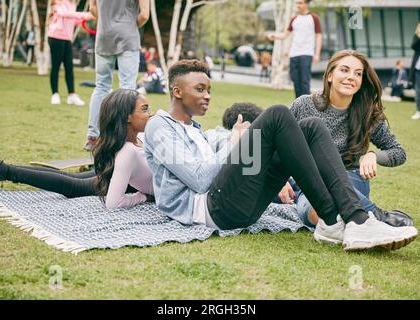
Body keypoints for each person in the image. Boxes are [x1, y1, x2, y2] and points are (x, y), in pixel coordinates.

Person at [144, 59, 417, 251]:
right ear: (177, 92)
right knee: (277, 114)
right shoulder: (159, 125)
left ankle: (336, 222)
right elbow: (200, 179)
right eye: (200, 90)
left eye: (209, 90)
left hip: (242, 207)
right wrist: (236, 143)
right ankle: (347, 219)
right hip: (212, 209)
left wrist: (239, 144)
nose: (207, 97)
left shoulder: (194, 128)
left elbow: (220, 167)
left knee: (311, 127)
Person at [280, 50, 413, 228]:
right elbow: (279, 144)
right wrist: (280, 182)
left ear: (361, 81)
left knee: (329, 193)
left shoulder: (367, 113)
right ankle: (370, 219)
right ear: (329, 76)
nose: (351, 77)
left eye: (358, 74)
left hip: (351, 178)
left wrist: (373, 155)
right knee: (314, 210)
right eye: (344, 70)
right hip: (308, 183)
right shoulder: (304, 105)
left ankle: (369, 217)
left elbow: (398, 152)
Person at [0, 89, 154, 209]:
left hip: (133, 173)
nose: (150, 113)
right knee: (74, 185)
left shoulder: (139, 138)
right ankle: (5, 170)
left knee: (74, 181)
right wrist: (142, 197)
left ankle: (4, 170)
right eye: (145, 109)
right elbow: (113, 203)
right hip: (132, 175)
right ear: (127, 117)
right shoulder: (129, 150)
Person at [84, 0, 150, 151]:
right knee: (127, 89)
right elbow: (144, 15)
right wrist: (130, 27)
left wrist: (108, 23)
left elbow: (93, 8)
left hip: (104, 36)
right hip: (128, 37)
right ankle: (121, 138)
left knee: (101, 86)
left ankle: (93, 136)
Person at [267, 0, 322, 98]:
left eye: (300, 3)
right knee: (295, 81)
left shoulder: (314, 18)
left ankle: (306, 107)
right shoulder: (294, 19)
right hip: (294, 54)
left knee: (304, 82)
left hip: (306, 54)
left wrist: (317, 54)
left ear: (306, 4)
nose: (298, 5)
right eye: (297, 3)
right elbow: (285, 35)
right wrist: (274, 36)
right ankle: (298, 105)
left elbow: (319, 36)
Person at [47, 0, 92, 106]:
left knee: (69, 67)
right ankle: (55, 94)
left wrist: (85, 18)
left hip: (67, 39)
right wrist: (84, 14)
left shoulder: (72, 5)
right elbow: (63, 14)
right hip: (55, 37)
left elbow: (71, 20)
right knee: (56, 67)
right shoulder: (58, 2)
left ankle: (72, 95)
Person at [409, 22, 420, 120]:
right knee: (418, 91)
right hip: (418, 69)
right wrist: (419, 35)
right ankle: (418, 111)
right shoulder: (417, 37)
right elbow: (413, 46)